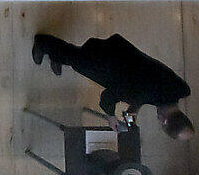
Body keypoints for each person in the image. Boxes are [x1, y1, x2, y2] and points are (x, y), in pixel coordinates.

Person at [32, 33, 194, 140]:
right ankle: (44, 43)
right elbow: (108, 97)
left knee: (75, 55)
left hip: (121, 50)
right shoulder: (140, 95)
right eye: (161, 123)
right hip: (102, 61)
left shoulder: (181, 89)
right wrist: (111, 117)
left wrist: (134, 110)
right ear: (164, 121)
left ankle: (57, 55)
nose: (158, 120)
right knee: (75, 59)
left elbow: (144, 93)